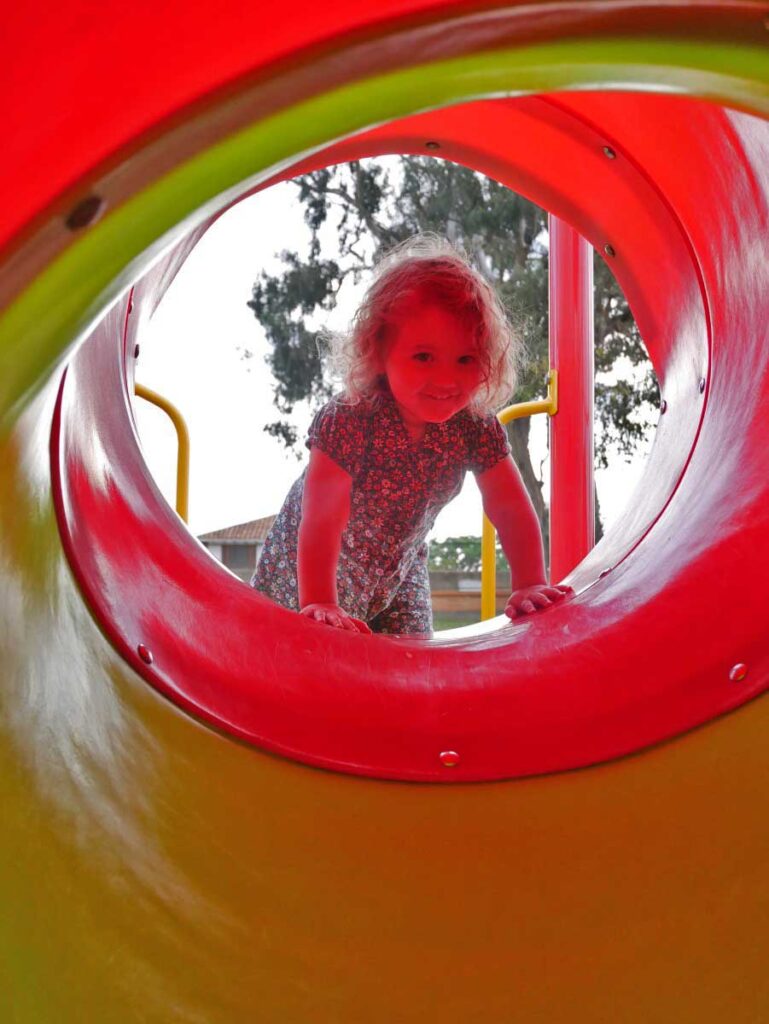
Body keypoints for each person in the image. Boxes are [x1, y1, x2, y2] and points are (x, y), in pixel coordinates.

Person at [251, 234, 571, 635]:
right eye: (424, 356)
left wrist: (528, 583)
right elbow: (323, 514)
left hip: (398, 571)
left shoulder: (473, 425)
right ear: (379, 351)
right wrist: (320, 599)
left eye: (465, 359)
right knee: (313, 651)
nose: (446, 378)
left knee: (415, 661)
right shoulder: (350, 417)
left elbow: (507, 503)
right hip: (314, 570)